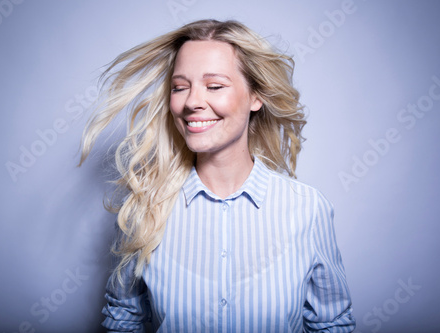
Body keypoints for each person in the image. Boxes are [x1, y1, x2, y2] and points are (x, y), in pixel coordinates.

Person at [80, 19, 355, 332]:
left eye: (214, 86)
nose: (192, 102)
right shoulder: (143, 210)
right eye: (180, 87)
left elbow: (331, 324)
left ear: (256, 97)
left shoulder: (307, 209)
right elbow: (123, 321)